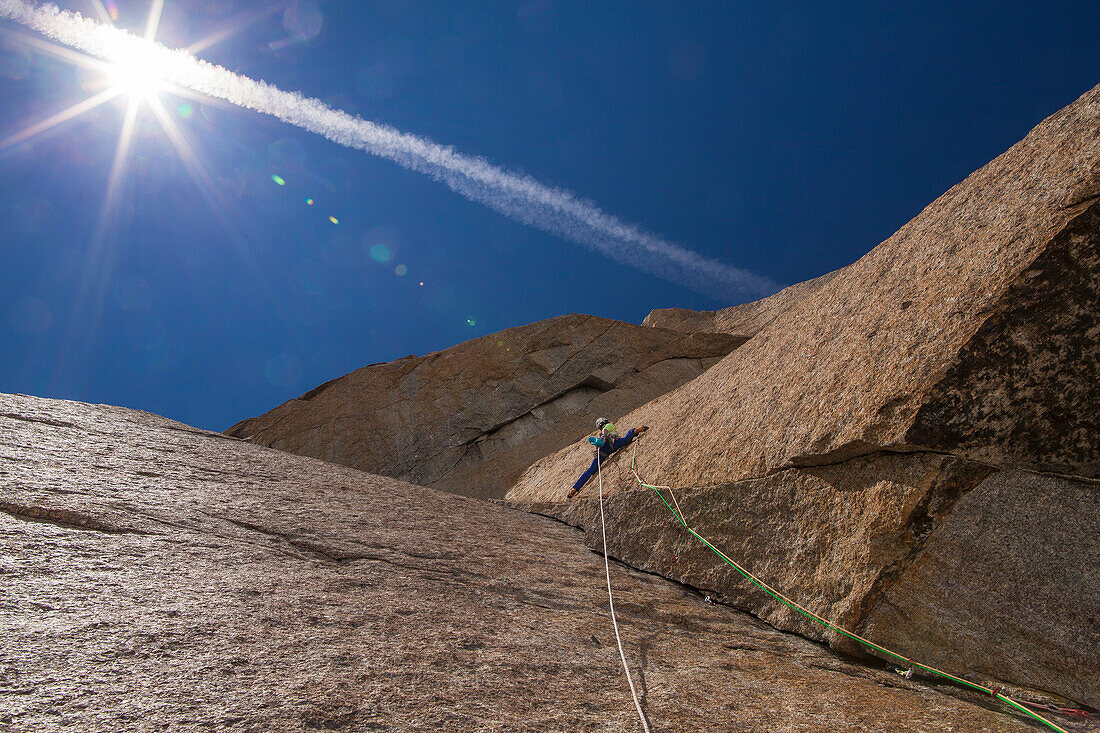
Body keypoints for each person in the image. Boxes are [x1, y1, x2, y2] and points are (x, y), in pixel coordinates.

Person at [567, 418, 649, 498]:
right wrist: (603, 436)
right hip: (613, 443)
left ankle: (575, 488)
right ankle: (634, 431)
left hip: (603, 451)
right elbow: (605, 431)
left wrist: (600, 442)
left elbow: (603, 433)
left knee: (591, 469)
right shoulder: (609, 425)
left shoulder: (602, 432)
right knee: (625, 440)